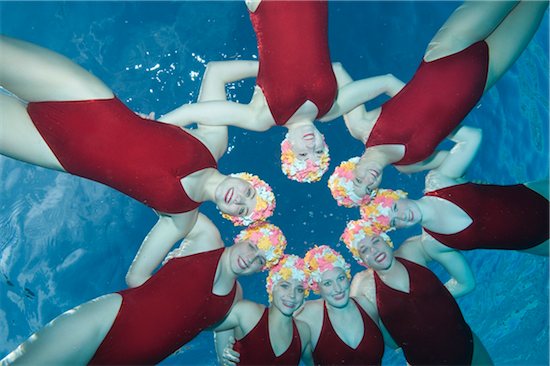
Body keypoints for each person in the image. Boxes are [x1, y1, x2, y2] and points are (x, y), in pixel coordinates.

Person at [0, 35, 276, 287]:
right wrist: (272, 69)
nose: (240, 200)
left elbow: (136, 278)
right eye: (249, 193)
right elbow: (216, 72)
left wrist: (186, 278)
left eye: (242, 210)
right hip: (81, 96)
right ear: (246, 178)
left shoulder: (181, 219)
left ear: (231, 216)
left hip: (52, 150)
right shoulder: (214, 142)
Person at [159, 0, 405, 183]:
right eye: (318, 151)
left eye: (302, 153)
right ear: (324, 142)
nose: (310, 146)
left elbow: (192, 111)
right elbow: (386, 82)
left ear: (287, 147)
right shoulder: (333, 108)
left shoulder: (262, 117)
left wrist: (151, 128)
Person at [328, 0, 548, 201]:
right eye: (370, 189)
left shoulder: (360, 125)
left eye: (359, 181)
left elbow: (369, 77)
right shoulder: (409, 165)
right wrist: (462, 181)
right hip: (485, 77)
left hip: (450, 49)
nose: (369, 181)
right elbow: (454, 159)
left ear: (351, 168)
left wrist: (415, 101)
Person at [1, 216, 287, 365]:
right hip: (107, 320)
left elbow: (222, 331)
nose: (251, 257)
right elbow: (173, 196)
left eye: (261, 260)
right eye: (252, 246)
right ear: (241, 237)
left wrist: (225, 352)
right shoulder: (206, 236)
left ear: (261, 269)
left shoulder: (236, 297)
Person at [358, 124, 549, 257]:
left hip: (537, 195)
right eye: (393, 221)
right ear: (395, 229)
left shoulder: (437, 181)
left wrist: (429, 125)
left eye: (394, 209)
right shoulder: (433, 244)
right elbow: (463, 284)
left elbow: (472, 138)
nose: (401, 216)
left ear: (399, 195)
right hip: (536, 243)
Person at [344, 223, 493, 365]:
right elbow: (364, 335)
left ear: (386, 239)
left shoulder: (412, 250)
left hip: (469, 348)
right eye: (364, 250)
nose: (374, 251)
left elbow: (467, 282)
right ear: (360, 260)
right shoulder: (362, 286)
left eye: (376, 241)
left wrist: (433, 298)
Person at [214, 254, 314, 366]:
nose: (292, 295)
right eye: (285, 286)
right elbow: (203, 324)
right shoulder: (248, 313)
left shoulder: (303, 332)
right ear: (271, 287)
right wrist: (222, 348)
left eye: (299, 290)